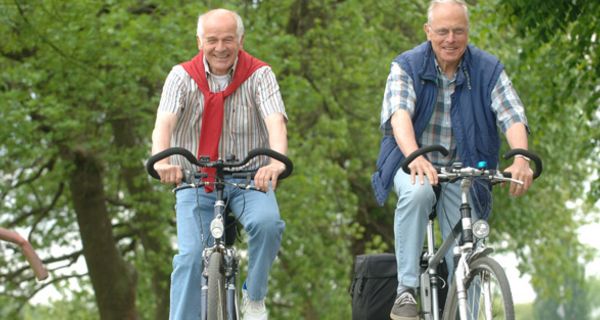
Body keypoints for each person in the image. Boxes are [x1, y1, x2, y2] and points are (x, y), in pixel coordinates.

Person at [371, 1, 534, 319]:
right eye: (443, 31)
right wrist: (414, 156)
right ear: (428, 31)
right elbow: (399, 115)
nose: (451, 39)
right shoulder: (407, 65)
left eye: (458, 31)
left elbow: (512, 114)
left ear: (468, 31)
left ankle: (468, 306)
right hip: (411, 161)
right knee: (417, 192)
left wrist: (521, 158)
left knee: (466, 237)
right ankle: (406, 291)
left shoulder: (488, 70)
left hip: (464, 168)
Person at [151, 8, 288, 320]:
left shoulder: (259, 74)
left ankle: (254, 297)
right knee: (189, 258)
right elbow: (164, 123)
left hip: (250, 177)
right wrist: (162, 159)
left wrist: (275, 163)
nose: (220, 47)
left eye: (228, 39)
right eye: (212, 40)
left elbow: (276, 123)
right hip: (195, 179)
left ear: (240, 40)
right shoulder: (181, 76)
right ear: (200, 42)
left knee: (267, 224)